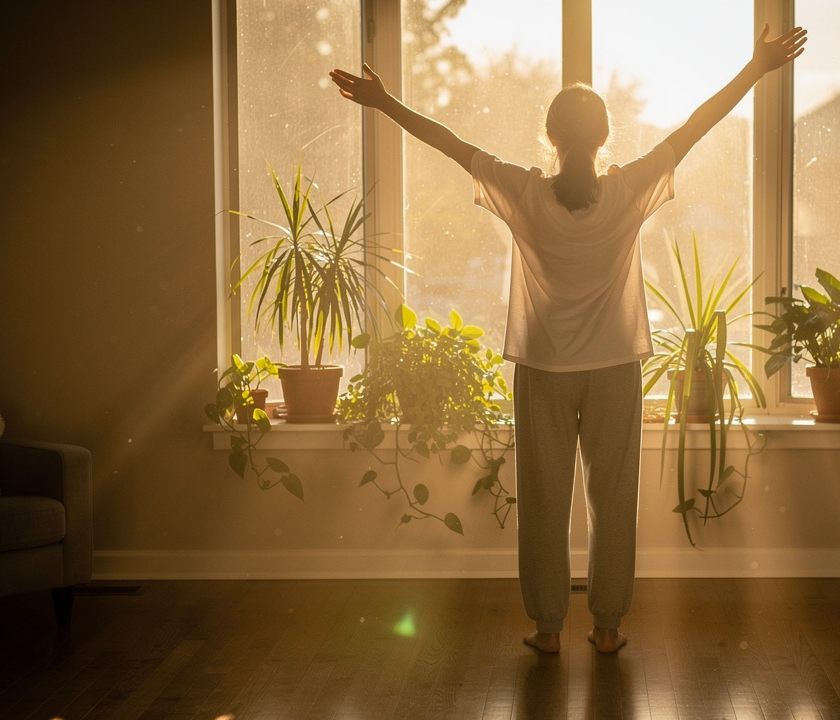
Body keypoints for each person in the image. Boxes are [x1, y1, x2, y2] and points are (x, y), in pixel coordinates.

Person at [330, 24, 807, 654]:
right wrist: (756, 68)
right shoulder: (629, 189)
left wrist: (383, 102)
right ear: (605, 137)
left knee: (545, 501)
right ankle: (607, 627)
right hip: (615, 367)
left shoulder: (525, 191)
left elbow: (450, 144)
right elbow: (695, 127)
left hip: (546, 369)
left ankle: (548, 629)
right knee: (614, 502)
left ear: (550, 138)